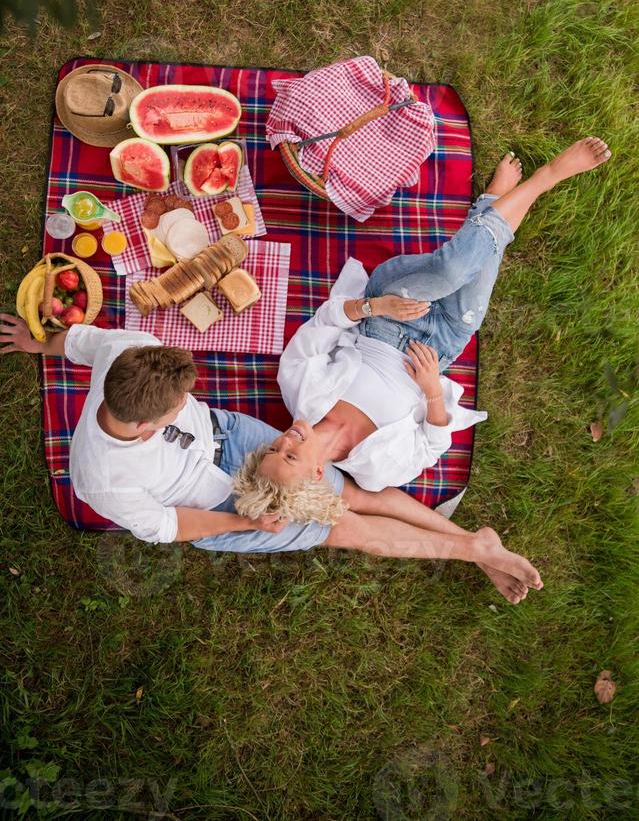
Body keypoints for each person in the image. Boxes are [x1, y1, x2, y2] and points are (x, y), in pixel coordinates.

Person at [0, 319, 545, 603]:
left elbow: (84, 342)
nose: (185, 402)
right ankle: (473, 548)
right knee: (343, 528)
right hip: (222, 503)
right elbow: (171, 526)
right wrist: (248, 521)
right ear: (145, 427)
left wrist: (37, 342)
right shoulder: (101, 479)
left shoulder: (131, 353)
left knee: (347, 492)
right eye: (176, 407)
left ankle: (478, 546)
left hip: (232, 435)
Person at [240, 137, 611, 497]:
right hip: (443, 344)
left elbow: (327, 321)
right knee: (477, 275)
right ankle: (491, 203)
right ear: (317, 474)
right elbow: (433, 444)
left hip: (385, 316)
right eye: (290, 456)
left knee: (451, 271)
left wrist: (377, 307)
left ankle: (547, 176)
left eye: (273, 448)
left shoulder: (297, 389)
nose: (286, 439)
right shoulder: (375, 472)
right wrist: (433, 391)